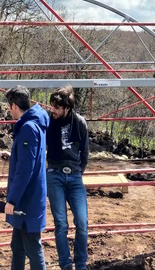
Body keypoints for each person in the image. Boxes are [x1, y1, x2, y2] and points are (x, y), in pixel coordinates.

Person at [5, 85, 50, 270]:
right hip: (29, 196)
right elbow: (29, 159)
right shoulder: (35, 124)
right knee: (18, 246)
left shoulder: (28, 128)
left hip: (26, 200)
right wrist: (12, 156)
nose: (9, 111)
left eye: (9, 107)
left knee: (32, 247)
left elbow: (25, 169)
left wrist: (12, 200)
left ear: (14, 106)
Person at [46, 85, 89, 270]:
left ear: (67, 108)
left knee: (82, 222)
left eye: (56, 107)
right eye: (52, 106)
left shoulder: (79, 122)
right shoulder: (48, 122)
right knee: (61, 224)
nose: (52, 110)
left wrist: (78, 171)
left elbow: (85, 151)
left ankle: (80, 265)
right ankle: (66, 265)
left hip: (74, 176)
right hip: (54, 174)